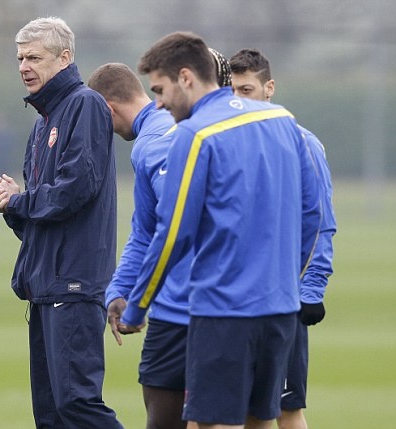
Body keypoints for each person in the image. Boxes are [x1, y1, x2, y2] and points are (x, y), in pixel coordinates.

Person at [118, 31, 322, 429]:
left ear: (186, 77)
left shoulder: (195, 134)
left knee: (212, 424)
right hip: (281, 310)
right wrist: (285, 278)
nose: (158, 103)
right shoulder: (282, 120)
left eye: (159, 89)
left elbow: (173, 233)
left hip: (224, 314)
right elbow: (311, 215)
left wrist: (138, 304)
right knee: (260, 421)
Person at [0, 16, 123, 429]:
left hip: (73, 284)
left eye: (34, 58)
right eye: (20, 58)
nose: (24, 66)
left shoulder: (85, 104)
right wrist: (13, 205)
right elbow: (40, 221)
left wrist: (20, 200)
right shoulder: (42, 121)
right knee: (51, 415)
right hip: (44, 286)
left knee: (77, 404)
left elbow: (76, 188)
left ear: (64, 58)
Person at [87, 50, 231, 429]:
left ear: (106, 108)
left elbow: (165, 232)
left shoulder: (154, 144)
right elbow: (146, 230)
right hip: (236, 306)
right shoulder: (193, 129)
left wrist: (135, 302)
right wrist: (119, 288)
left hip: (180, 309)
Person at [230, 48, 337, 429]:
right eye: (233, 92)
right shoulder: (226, 143)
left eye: (247, 90)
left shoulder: (302, 142)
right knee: (247, 410)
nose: (239, 100)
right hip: (234, 300)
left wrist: (311, 290)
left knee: (286, 409)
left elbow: (320, 221)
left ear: (269, 88)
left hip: (283, 299)